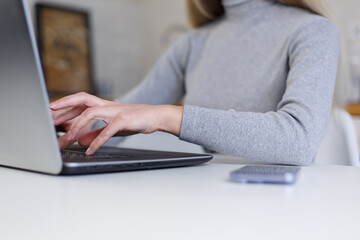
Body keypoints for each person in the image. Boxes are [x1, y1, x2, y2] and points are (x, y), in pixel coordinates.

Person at [50, 0, 340, 166]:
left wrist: (166, 116)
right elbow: (120, 119)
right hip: (207, 200)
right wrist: (67, 123)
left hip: (280, 208)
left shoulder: (313, 31)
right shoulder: (193, 44)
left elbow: (299, 140)